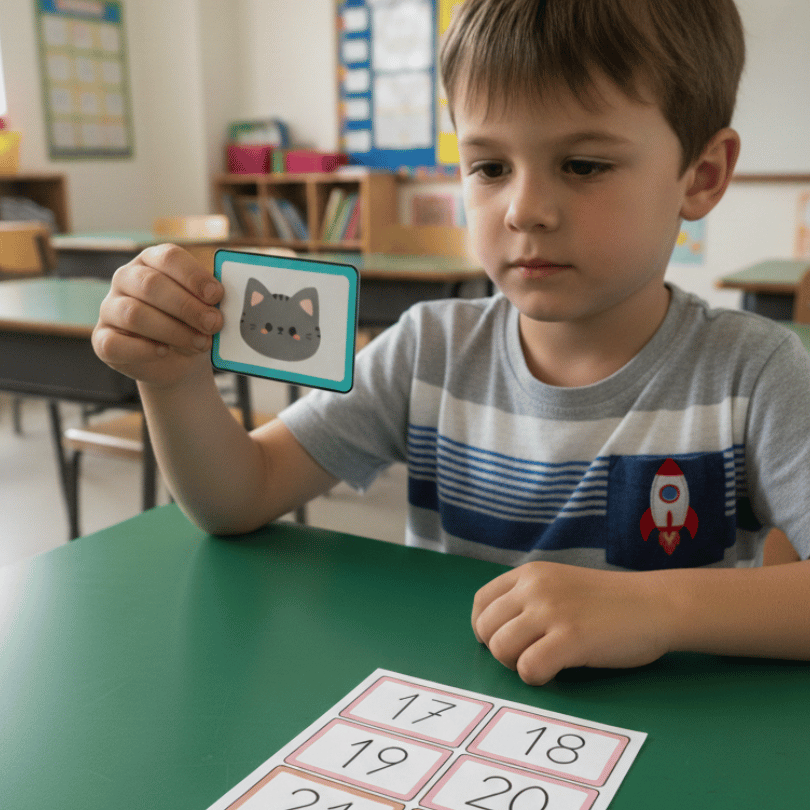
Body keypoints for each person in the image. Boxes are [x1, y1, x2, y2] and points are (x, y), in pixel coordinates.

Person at [93, 0, 810, 685]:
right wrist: (172, 376)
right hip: (454, 731)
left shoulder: (754, 374)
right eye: (490, 167)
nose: (525, 209)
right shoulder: (427, 351)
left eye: (584, 165)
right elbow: (239, 495)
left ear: (703, 174)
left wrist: (659, 609)